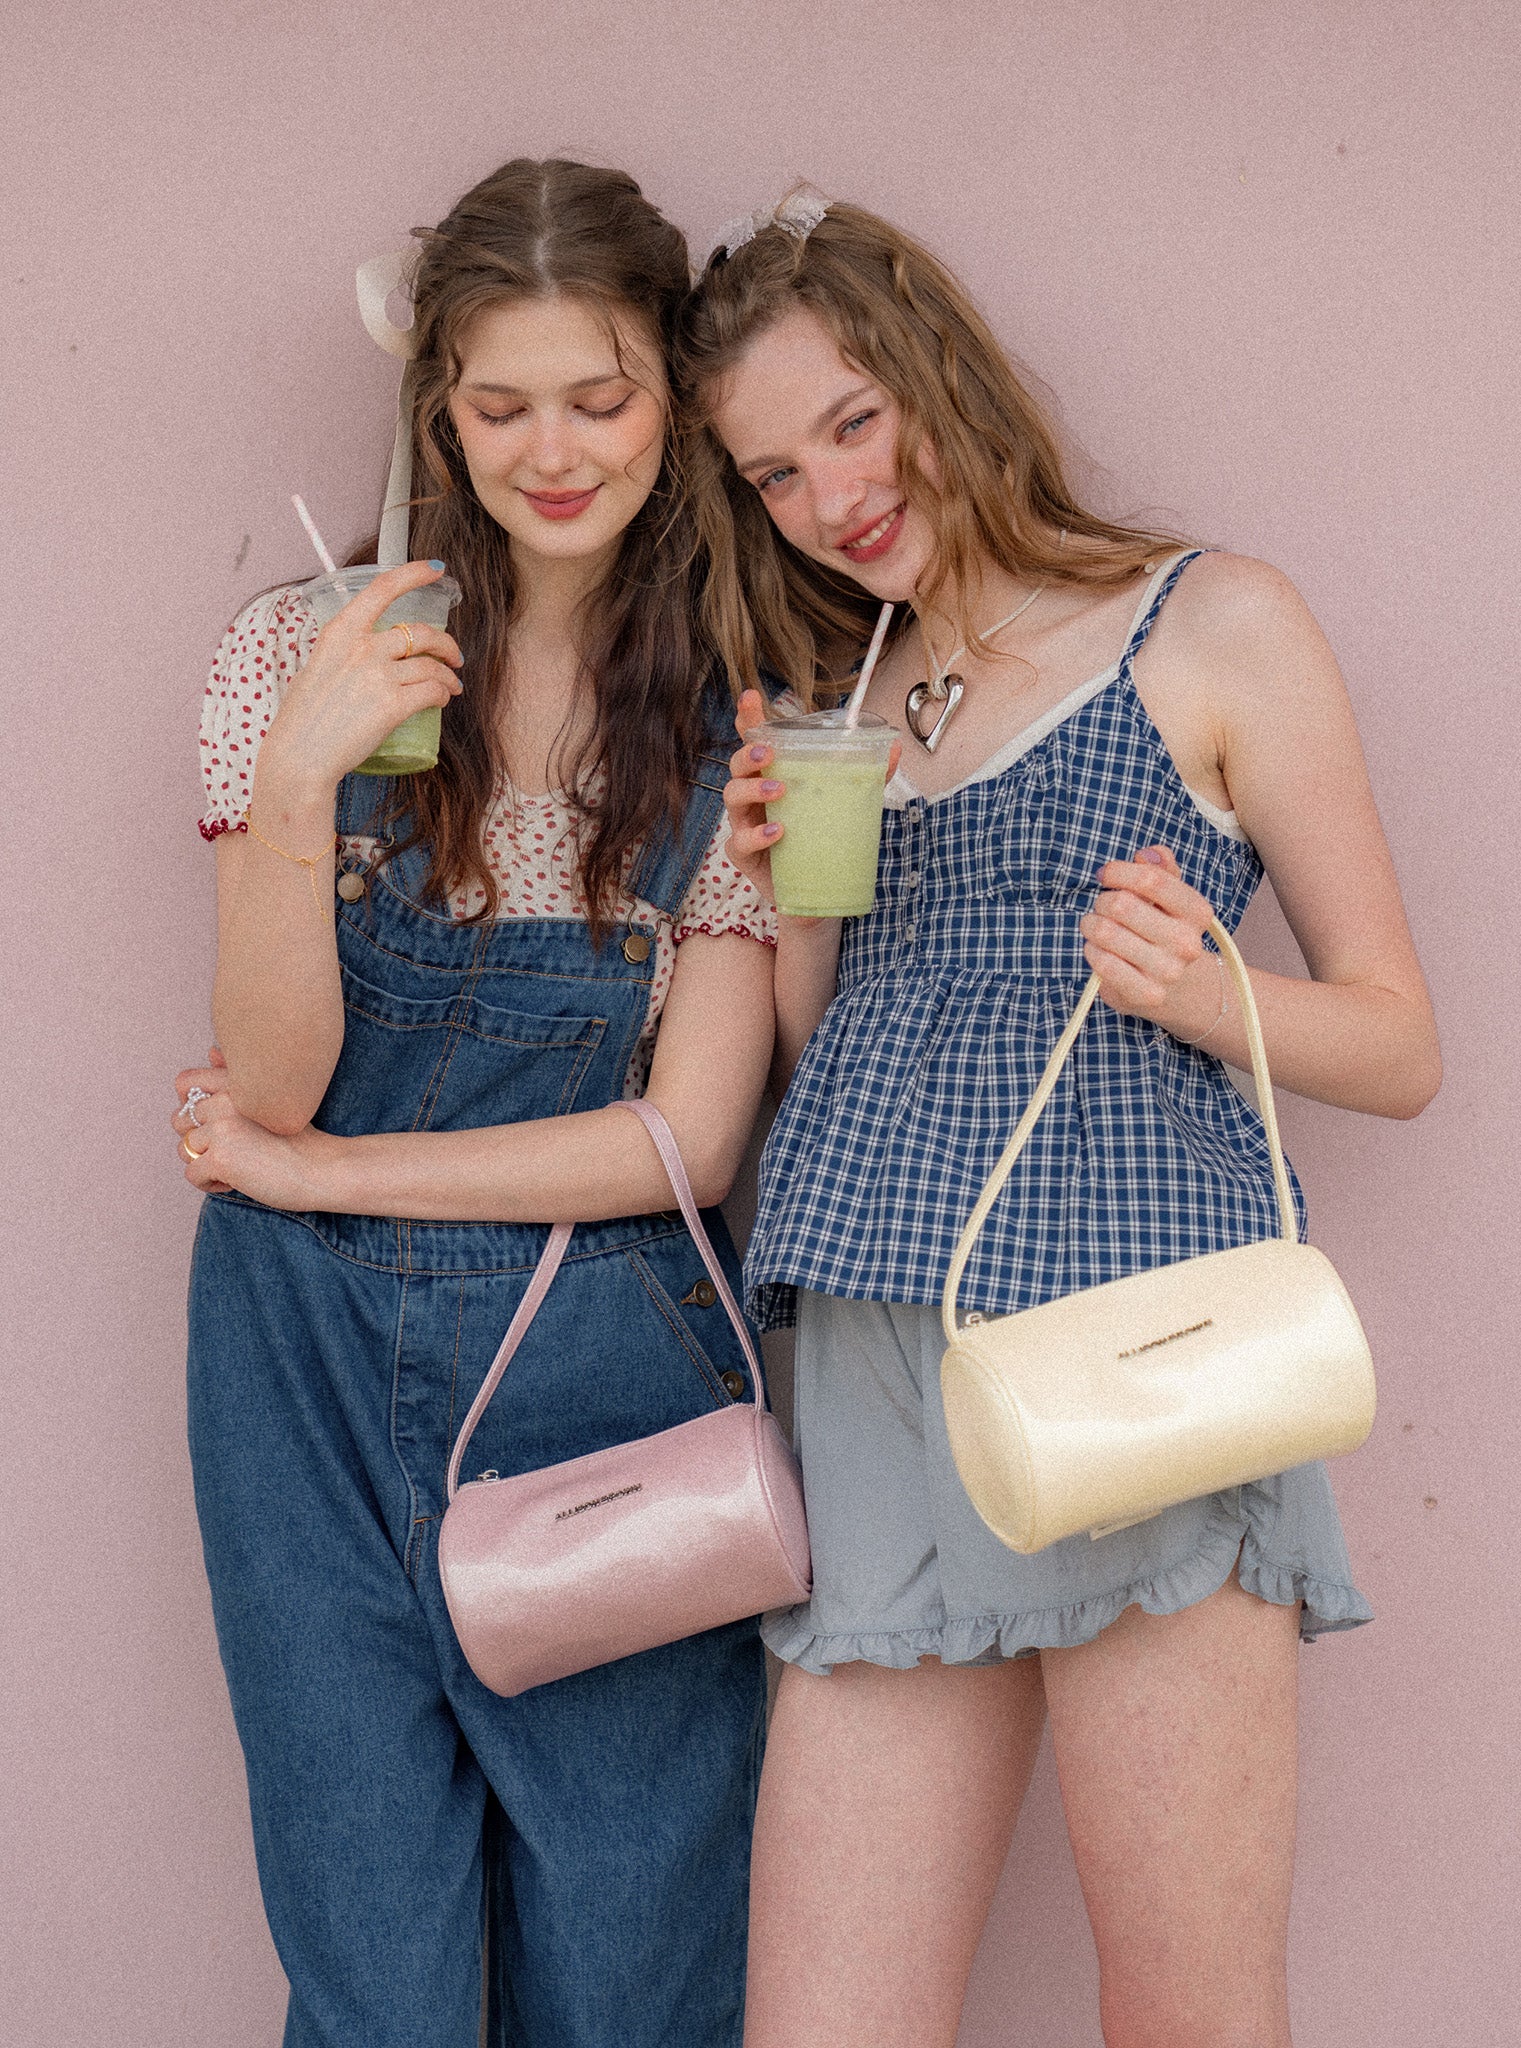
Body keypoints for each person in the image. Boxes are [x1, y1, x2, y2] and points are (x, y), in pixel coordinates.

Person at [677, 193, 1441, 2048]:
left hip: (1139, 1349)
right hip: (878, 1366)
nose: (833, 497)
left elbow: (1400, 1044)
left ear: (939, 371)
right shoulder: (851, 694)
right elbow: (833, 1064)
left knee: (1185, 2016)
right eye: (776, 474)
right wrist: (788, 901)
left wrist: (1206, 991)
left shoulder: (1212, 623)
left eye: (854, 422)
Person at [171, 159, 777, 2048]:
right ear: (437, 405)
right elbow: (272, 1078)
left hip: (608, 1368)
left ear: (673, 393)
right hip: (300, 1378)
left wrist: (325, 1173)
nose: (554, 452)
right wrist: (300, 783)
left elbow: (687, 1143)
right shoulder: (295, 652)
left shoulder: (749, 710)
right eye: (502, 406)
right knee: (375, 1972)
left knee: (634, 1967)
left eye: (600, 398)